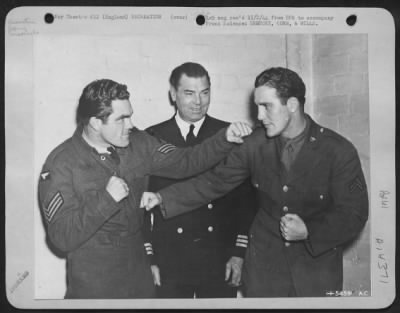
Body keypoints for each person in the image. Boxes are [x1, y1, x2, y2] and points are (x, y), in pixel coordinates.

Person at [141, 67, 369, 297]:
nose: (259, 116)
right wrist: (162, 198)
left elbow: (354, 213)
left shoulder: (338, 151)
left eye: (266, 106)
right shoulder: (255, 143)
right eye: (257, 106)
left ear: (292, 104)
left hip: (315, 270)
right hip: (264, 271)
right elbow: (215, 181)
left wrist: (310, 231)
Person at [37, 79, 252, 299]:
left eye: (130, 115)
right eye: (122, 119)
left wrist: (224, 139)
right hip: (95, 284)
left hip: (139, 279)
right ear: (95, 123)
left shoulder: (140, 143)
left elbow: (186, 161)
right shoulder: (61, 164)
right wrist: (107, 199)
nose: (130, 125)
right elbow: (62, 238)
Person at [143, 62, 257, 298]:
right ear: (173, 94)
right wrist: (149, 257)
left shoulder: (229, 134)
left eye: (204, 92)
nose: (198, 101)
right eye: (189, 93)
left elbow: (246, 202)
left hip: (219, 255)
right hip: (170, 257)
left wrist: (239, 253)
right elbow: (143, 206)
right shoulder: (152, 137)